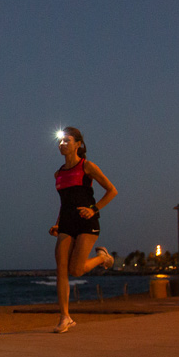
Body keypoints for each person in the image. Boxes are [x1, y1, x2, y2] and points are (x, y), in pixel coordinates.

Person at [49, 127, 117, 333]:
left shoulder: (87, 166)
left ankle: (102, 258)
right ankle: (65, 317)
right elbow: (64, 202)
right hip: (67, 223)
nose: (62, 144)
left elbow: (111, 190)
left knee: (76, 270)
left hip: (87, 222)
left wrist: (93, 209)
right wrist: (58, 222)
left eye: (67, 141)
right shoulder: (58, 173)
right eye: (60, 141)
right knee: (61, 268)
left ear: (78, 144)